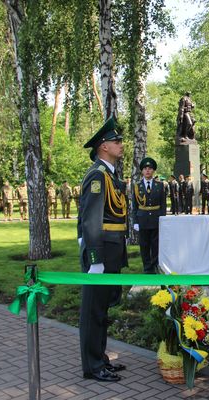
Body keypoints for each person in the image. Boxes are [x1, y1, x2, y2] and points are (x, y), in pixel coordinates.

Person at [78, 116, 128, 382]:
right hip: (101, 254)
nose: (121, 144)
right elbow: (90, 219)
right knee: (93, 311)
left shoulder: (109, 174)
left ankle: (100, 358)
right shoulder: (98, 175)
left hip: (112, 250)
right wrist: (95, 259)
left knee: (102, 310)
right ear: (103, 147)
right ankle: (92, 366)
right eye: (116, 141)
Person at [132, 157, 166, 274]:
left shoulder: (160, 185)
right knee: (144, 245)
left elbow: (163, 204)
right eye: (145, 168)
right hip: (142, 219)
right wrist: (135, 221)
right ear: (142, 171)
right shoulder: (137, 186)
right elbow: (134, 206)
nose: (147, 171)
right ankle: (147, 268)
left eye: (150, 168)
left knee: (156, 244)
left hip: (156, 218)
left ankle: (155, 265)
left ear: (153, 171)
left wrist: (163, 219)